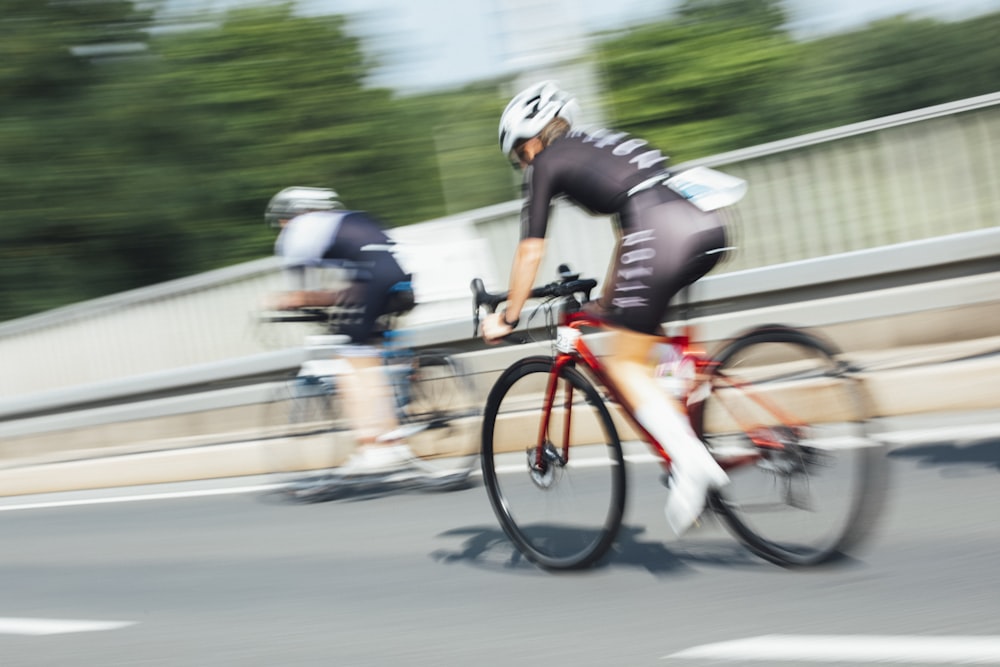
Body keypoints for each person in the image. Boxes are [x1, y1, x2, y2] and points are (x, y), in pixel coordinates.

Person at [481, 81, 731, 536]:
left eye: (519, 155)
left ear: (532, 139)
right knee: (641, 340)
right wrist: (611, 298)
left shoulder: (547, 163)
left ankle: (693, 462)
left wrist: (508, 316)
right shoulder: (601, 143)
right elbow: (629, 224)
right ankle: (682, 399)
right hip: (704, 222)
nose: (523, 165)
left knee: (624, 367)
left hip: (658, 231)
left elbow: (530, 251)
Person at [265, 186, 416, 473]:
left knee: (350, 361)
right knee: (372, 345)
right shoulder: (346, 220)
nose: (282, 228)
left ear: (289, 216)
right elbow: (357, 282)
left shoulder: (298, 230)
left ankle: (376, 445)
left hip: (374, 279)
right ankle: (402, 402)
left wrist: (284, 302)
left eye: (281, 222)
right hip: (400, 278)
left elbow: (301, 294)